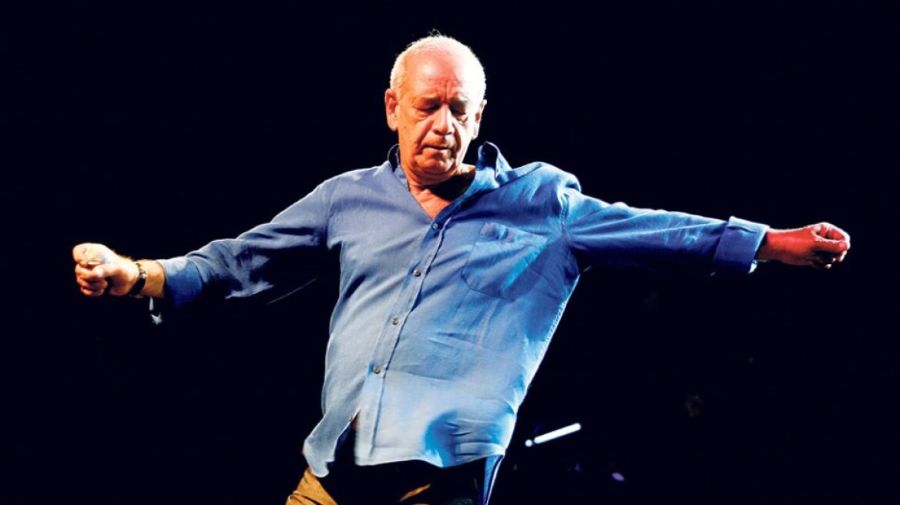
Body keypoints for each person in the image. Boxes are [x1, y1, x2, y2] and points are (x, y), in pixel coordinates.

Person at [72, 35, 850, 505]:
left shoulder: (542, 204)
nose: (444, 125)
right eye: (428, 105)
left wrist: (771, 242)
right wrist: (137, 272)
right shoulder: (349, 198)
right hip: (332, 470)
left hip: (437, 476)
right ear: (392, 108)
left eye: (460, 109)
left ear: (479, 118)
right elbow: (241, 261)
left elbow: (658, 232)